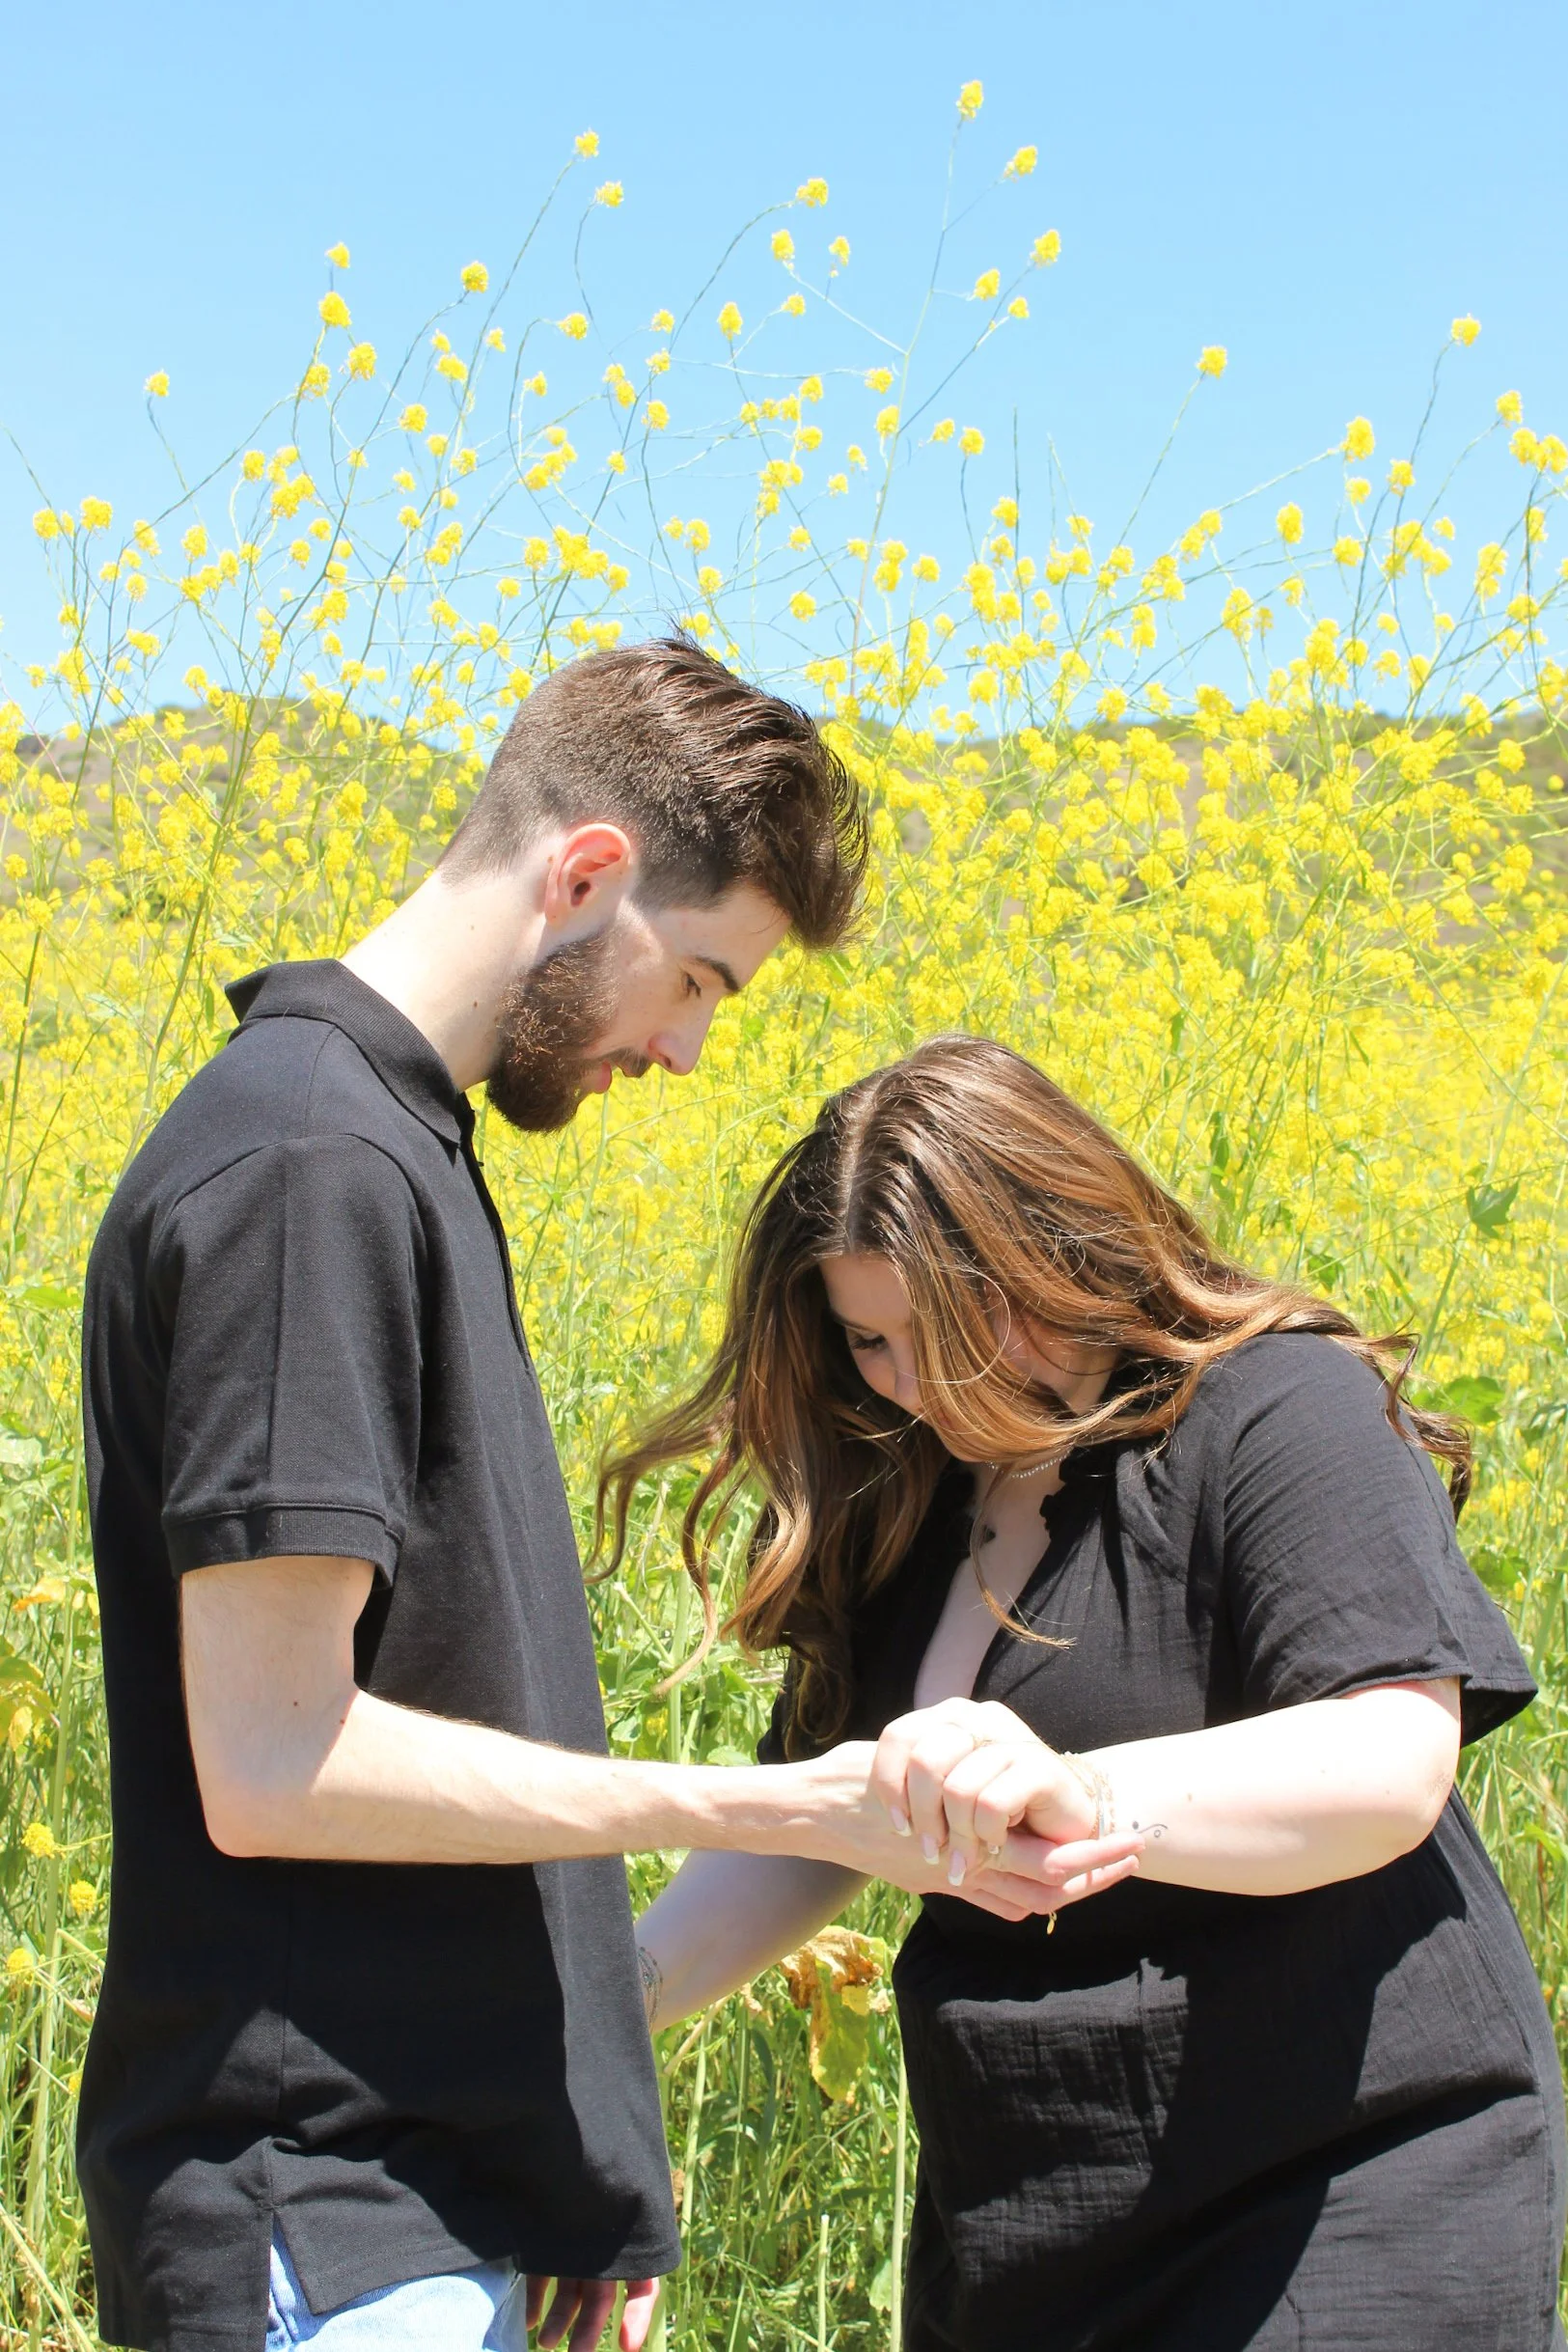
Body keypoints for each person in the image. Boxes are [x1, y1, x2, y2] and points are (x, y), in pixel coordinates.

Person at [81, 645, 1133, 2352]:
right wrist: (785, 1808)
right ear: (586, 877)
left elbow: (449, 1708)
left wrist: (583, 2160)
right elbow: (278, 1761)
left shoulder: (390, 1152)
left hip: (423, 2209)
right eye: (704, 978)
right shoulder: (312, 1163)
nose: (693, 1049)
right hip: (326, 2219)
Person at [618, 1035, 1568, 2352]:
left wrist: (1089, 1791)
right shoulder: (907, 1494)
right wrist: (610, 2017)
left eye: (948, 1328)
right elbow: (815, 1829)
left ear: (1060, 1246)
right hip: (1036, 2218)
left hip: (1344, 2190)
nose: (915, 1384)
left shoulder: (1276, 1407)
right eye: (872, 1343)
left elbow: (1391, 1761)